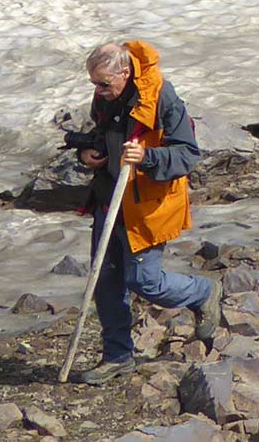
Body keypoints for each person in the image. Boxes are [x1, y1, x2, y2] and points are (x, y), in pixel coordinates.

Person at [61, 40, 221, 385]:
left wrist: (147, 158)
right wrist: (88, 153)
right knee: (106, 282)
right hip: (110, 198)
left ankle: (202, 292)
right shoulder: (106, 98)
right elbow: (102, 137)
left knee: (144, 280)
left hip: (147, 206)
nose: (98, 91)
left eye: (104, 83)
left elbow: (187, 155)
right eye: (94, 84)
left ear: (125, 72)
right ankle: (118, 357)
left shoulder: (162, 98)